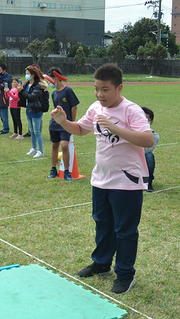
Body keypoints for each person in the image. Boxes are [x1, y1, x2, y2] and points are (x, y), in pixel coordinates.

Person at [51, 64, 154, 294]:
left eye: (105, 90)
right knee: (102, 224)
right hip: (101, 179)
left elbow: (148, 141)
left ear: (119, 88)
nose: (100, 94)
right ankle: (102, 264)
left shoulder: (131, 110)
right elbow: (80, 129)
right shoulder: (96, 107)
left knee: (125, 231)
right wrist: (62, 122)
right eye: (96, 89)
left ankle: (126, 274)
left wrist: (118, 130)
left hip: (126, 181)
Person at [47, 68, 80, 180]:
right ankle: (53, 169)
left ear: (55, 78)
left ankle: (66, 172)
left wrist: (71, 123)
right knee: (54, 145)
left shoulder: (68, 90)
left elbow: (74, 106)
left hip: (66, 124)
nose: (49, 83)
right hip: (54, 124)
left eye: (50, 80)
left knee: (64, 146)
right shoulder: (54, 93)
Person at [20, 66, 48, 158]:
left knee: (37, 132)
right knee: (32, 131)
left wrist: (22, 91)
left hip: (36, 110)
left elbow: (32, 97)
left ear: (32, 75)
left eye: (28, 74)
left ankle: (40, 150)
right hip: (29, 109)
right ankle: (33, 148)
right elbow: (24, 95)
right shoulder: (27, 84)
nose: (26, 75)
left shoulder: (37, 86)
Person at [141, 107, 159, 192]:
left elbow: (146, 150)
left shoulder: (154, 136)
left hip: (140, 157)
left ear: (151, 122)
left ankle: (148, 182)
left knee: (149, 156)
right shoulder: (128, 131)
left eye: (146, 119)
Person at [0, 63, 12, 134]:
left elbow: (0, 86)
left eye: (0, 70)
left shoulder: (7, 78)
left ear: (4, 70)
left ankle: (6, 129)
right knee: (1, 114)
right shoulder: (3, 78)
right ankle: (4, 127)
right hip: (0, 97)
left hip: (4, 98)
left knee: (4, 114)